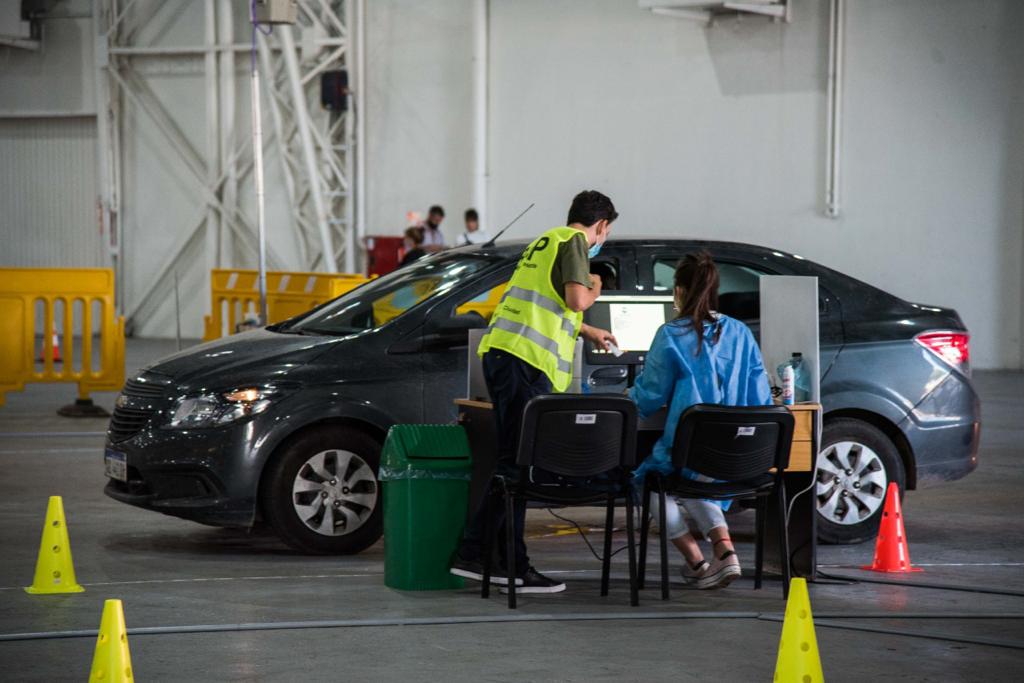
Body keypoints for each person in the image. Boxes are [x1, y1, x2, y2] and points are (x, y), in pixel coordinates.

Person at [450, 190, 620, 594]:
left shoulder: (546, 241)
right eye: (606, 232)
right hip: (524, 362)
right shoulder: (576, 242)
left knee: (514, 463)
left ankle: (493, 558)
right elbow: (577, 298)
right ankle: (493, 558)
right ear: (601, 226)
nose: (603, 238)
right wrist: (596, 287)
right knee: (518, 467)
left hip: (506, 356)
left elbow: (546, 304)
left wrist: (588, 330)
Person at [628, 252, 772, 590]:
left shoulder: (671, 335)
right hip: (738, 457)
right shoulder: (741, 333)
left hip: (692, 453)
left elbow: (649, 396)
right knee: (700, 485)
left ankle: (696, 560)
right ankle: (726, 553)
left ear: (678, 291)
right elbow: (762, 400)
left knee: (648, 481)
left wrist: (625, 399)